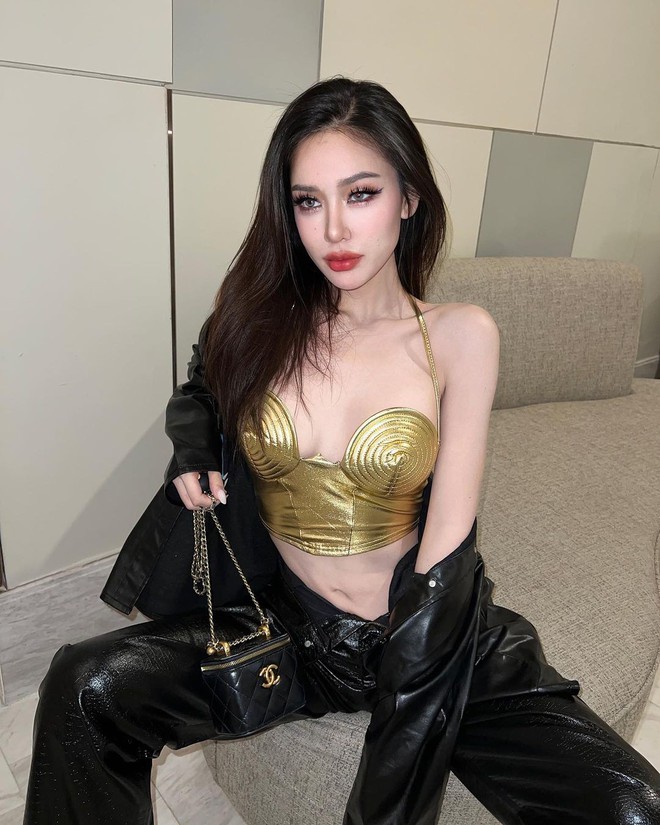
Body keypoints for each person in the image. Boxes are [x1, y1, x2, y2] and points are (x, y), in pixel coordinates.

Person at [24, 78, 660, 825]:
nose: (333, 229)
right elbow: (203, 385)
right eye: (308, 200)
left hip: (429, 631)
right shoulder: (260, 322)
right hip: (291, 627)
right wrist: (193, 447)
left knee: (633, 807)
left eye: (360, 193)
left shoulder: (460, 334)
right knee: (84, 683)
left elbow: (447, 554)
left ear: (409, 197)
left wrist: (395, 765)